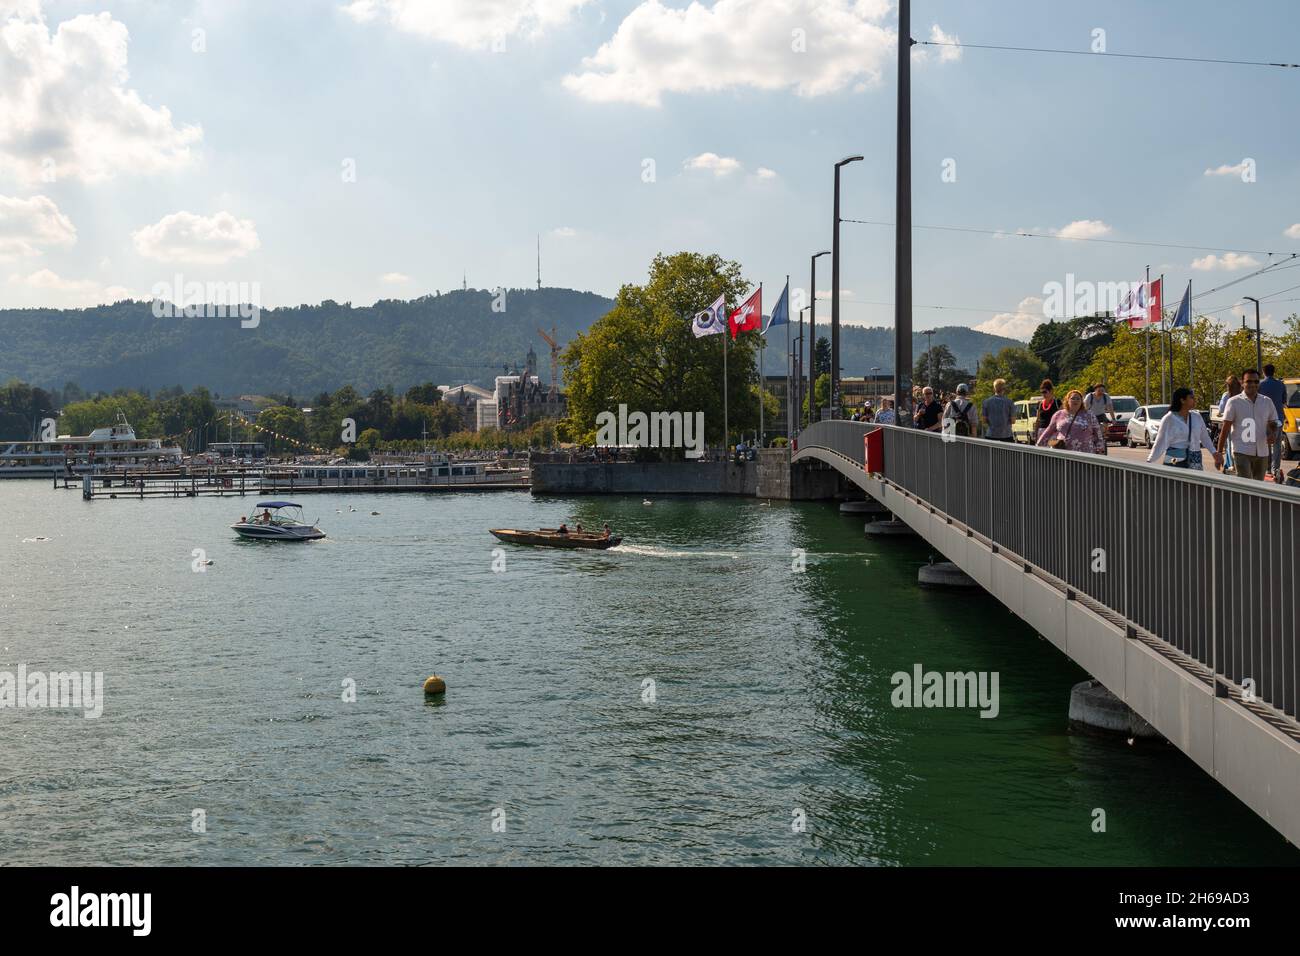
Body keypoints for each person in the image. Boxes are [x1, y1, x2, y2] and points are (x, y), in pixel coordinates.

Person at [1218, 368, 1281, 480]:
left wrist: (1273, 433)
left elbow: (1274, 422)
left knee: (1258, 486)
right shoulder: (1233, 402)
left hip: (1262, 451)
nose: (1253, 384)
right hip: (1241, 451)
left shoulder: (1267, 401)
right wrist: (1218, 453)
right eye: (1249, 381)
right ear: (1242, 383)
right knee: (1246, 486)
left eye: (1256, 382)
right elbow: (1225, 428)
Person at [1148, 387, 1221, 471]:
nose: (1195, 400)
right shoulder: (1169, 418)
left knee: (1195, 483)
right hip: (1175, 462)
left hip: (1195, 462)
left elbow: (1205, 438)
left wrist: (1215, 453)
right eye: (1191, 397)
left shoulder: (1196, 416)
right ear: (1182, 400)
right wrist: (1149, 462)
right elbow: (1159, 443)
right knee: (1177, 484)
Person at [1036, 389, 1105, 454]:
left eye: (1078, 399)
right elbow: (1048, 431)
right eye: (1073, 398)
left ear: (1081, 402)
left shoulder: (1089, 415)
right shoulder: (1059, 414)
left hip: (1086, 453)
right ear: (1067, 400)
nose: (1075, 400)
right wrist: (1038, 445)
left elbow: (1098, 433)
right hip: (1063, 452)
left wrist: (1100, 449)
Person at [1259, 364, 1288, 479]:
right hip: (1278, 419)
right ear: (1274, 372)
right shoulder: (1281, 384)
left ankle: (1267, 469)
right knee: (1276, 445)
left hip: (1264, 419)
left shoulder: (1260, 384)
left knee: (1265, 444)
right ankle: (1276, 468)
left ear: (1263, 372)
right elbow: (1284, 400)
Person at [1217, 374, 1242, 474]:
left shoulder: (1226, 395)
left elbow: (1221, 410)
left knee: (1229, 443)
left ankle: (1231, 464)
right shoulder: (1242, 395)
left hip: (1229, 423)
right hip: (1241, 424)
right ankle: (1231, 464)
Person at [1033, 380, 1061, 444]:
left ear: (1051, 391)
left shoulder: (1057, 402)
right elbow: (1037, 420)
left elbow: (1063, 418)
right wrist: (1035, 435)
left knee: (1052, 452)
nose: (1043, 394)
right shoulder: (1040, 404)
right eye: (1042, 392)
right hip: (1041, 431)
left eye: (1045, 392)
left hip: (1053, 432)